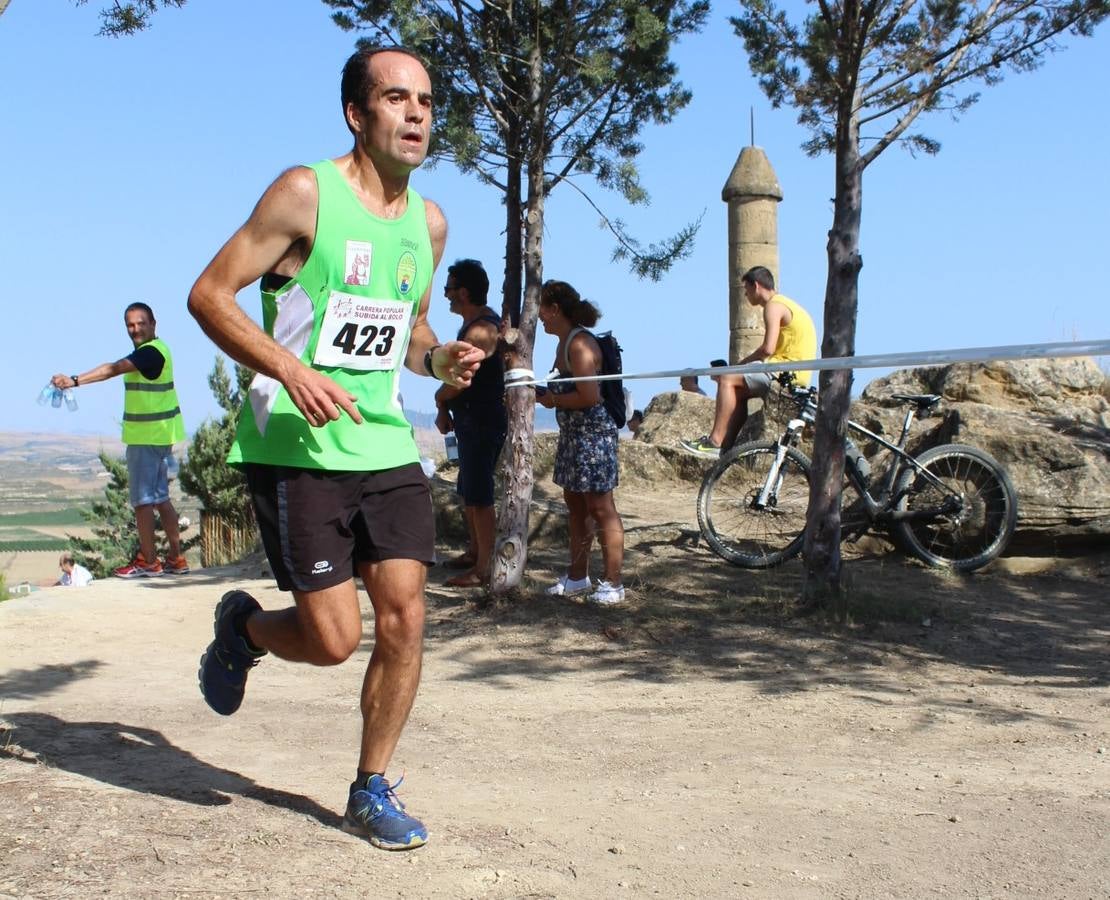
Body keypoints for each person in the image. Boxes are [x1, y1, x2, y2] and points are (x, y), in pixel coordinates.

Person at [186, 47, 483, 851]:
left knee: (405, 619)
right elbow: (209, 295)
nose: (418, 114)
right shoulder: (303, 194)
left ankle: (370, 785)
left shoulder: (429, 222)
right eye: (397, 98)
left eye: (425, 101)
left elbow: (409, 329)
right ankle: (244, 630)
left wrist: (438, 360)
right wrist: (290, 368)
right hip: (299, 446)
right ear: (358, 114)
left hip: (383, 444)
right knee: (330, 640)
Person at [50, 303, 188, 577]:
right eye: (130, 325)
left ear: (153, 324)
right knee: (161, 498)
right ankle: (176, 558)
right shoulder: (159, 351)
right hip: (162, 435)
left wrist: (75, 380)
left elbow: (112, 369)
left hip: (146, 437)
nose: (135, 329)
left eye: (140, 323)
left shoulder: (149, 354)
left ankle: (149, 560)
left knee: (143, 501)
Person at [534, 280, 625, 605]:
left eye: (541, 309)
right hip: (574, 436)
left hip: (593, 437)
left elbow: (589, 395)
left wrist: (551, 401)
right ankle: (577, 577)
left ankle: (613, 583)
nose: (539, 317)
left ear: (555, 309)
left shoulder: (579, 345)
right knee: (575, 506)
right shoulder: (564, 343)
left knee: (601, 508)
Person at [681, 267, 817, 457]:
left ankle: (715, 441)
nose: (745, 294)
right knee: (738, 391)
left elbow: (767, 349)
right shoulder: (787, 304)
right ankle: (727, 449)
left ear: (756, 285)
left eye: (746, 289)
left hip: (785, 374)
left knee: (727, 379)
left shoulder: (773, 306)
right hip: (794, 373)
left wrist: (738, 366)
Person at [434, 259, 506, 588]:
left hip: (481, 420)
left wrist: (440, 397)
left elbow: (460, 377)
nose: (445, 295)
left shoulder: (481, 329)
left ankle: (484, 567)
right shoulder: (478, 325)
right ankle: (476, 552)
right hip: (472, 420)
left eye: (449, 288)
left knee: (479, 495)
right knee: (469, 489)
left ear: (463, 292)